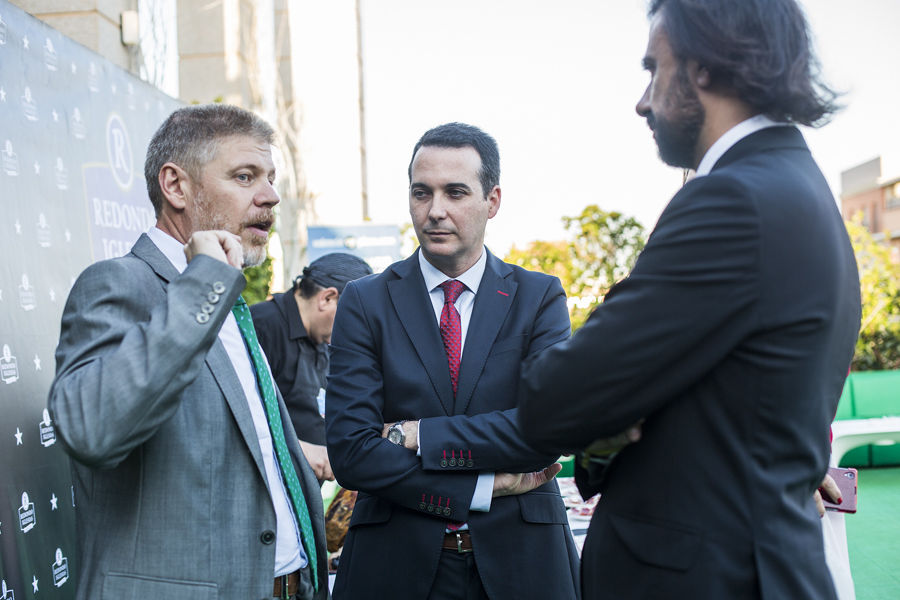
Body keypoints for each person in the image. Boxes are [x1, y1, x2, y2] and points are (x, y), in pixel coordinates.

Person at [517, 0, 861, 598]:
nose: (643, 100)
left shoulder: (731, 200)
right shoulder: (797, 187)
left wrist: (610, 405)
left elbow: (555, 396)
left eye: (654, 68)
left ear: (705, 63)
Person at [48, 104, 328, 600]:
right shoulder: (120, 283)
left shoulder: (228, 299)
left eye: (269, 178)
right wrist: (203, 285)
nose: (271, 196)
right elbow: (93, 429)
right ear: (176, 186)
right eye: (245, 177)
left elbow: (226, 442)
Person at [325, 122, 580, 599]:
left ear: (493, 201)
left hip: (523, 563)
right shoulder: (365, 301)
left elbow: (548, 430)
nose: (435, 211)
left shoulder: (539, 296)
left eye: (455, 192)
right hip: (394, 563)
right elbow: (352, 452)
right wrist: (478, 490)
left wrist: (418, 434)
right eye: (422, 193)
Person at [251, 252, 373, 482]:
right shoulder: (261, 326)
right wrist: (298, 449)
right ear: (327, 298)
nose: (354, 332)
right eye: (354, 320)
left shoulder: (322, 338)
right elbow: (240, 417)